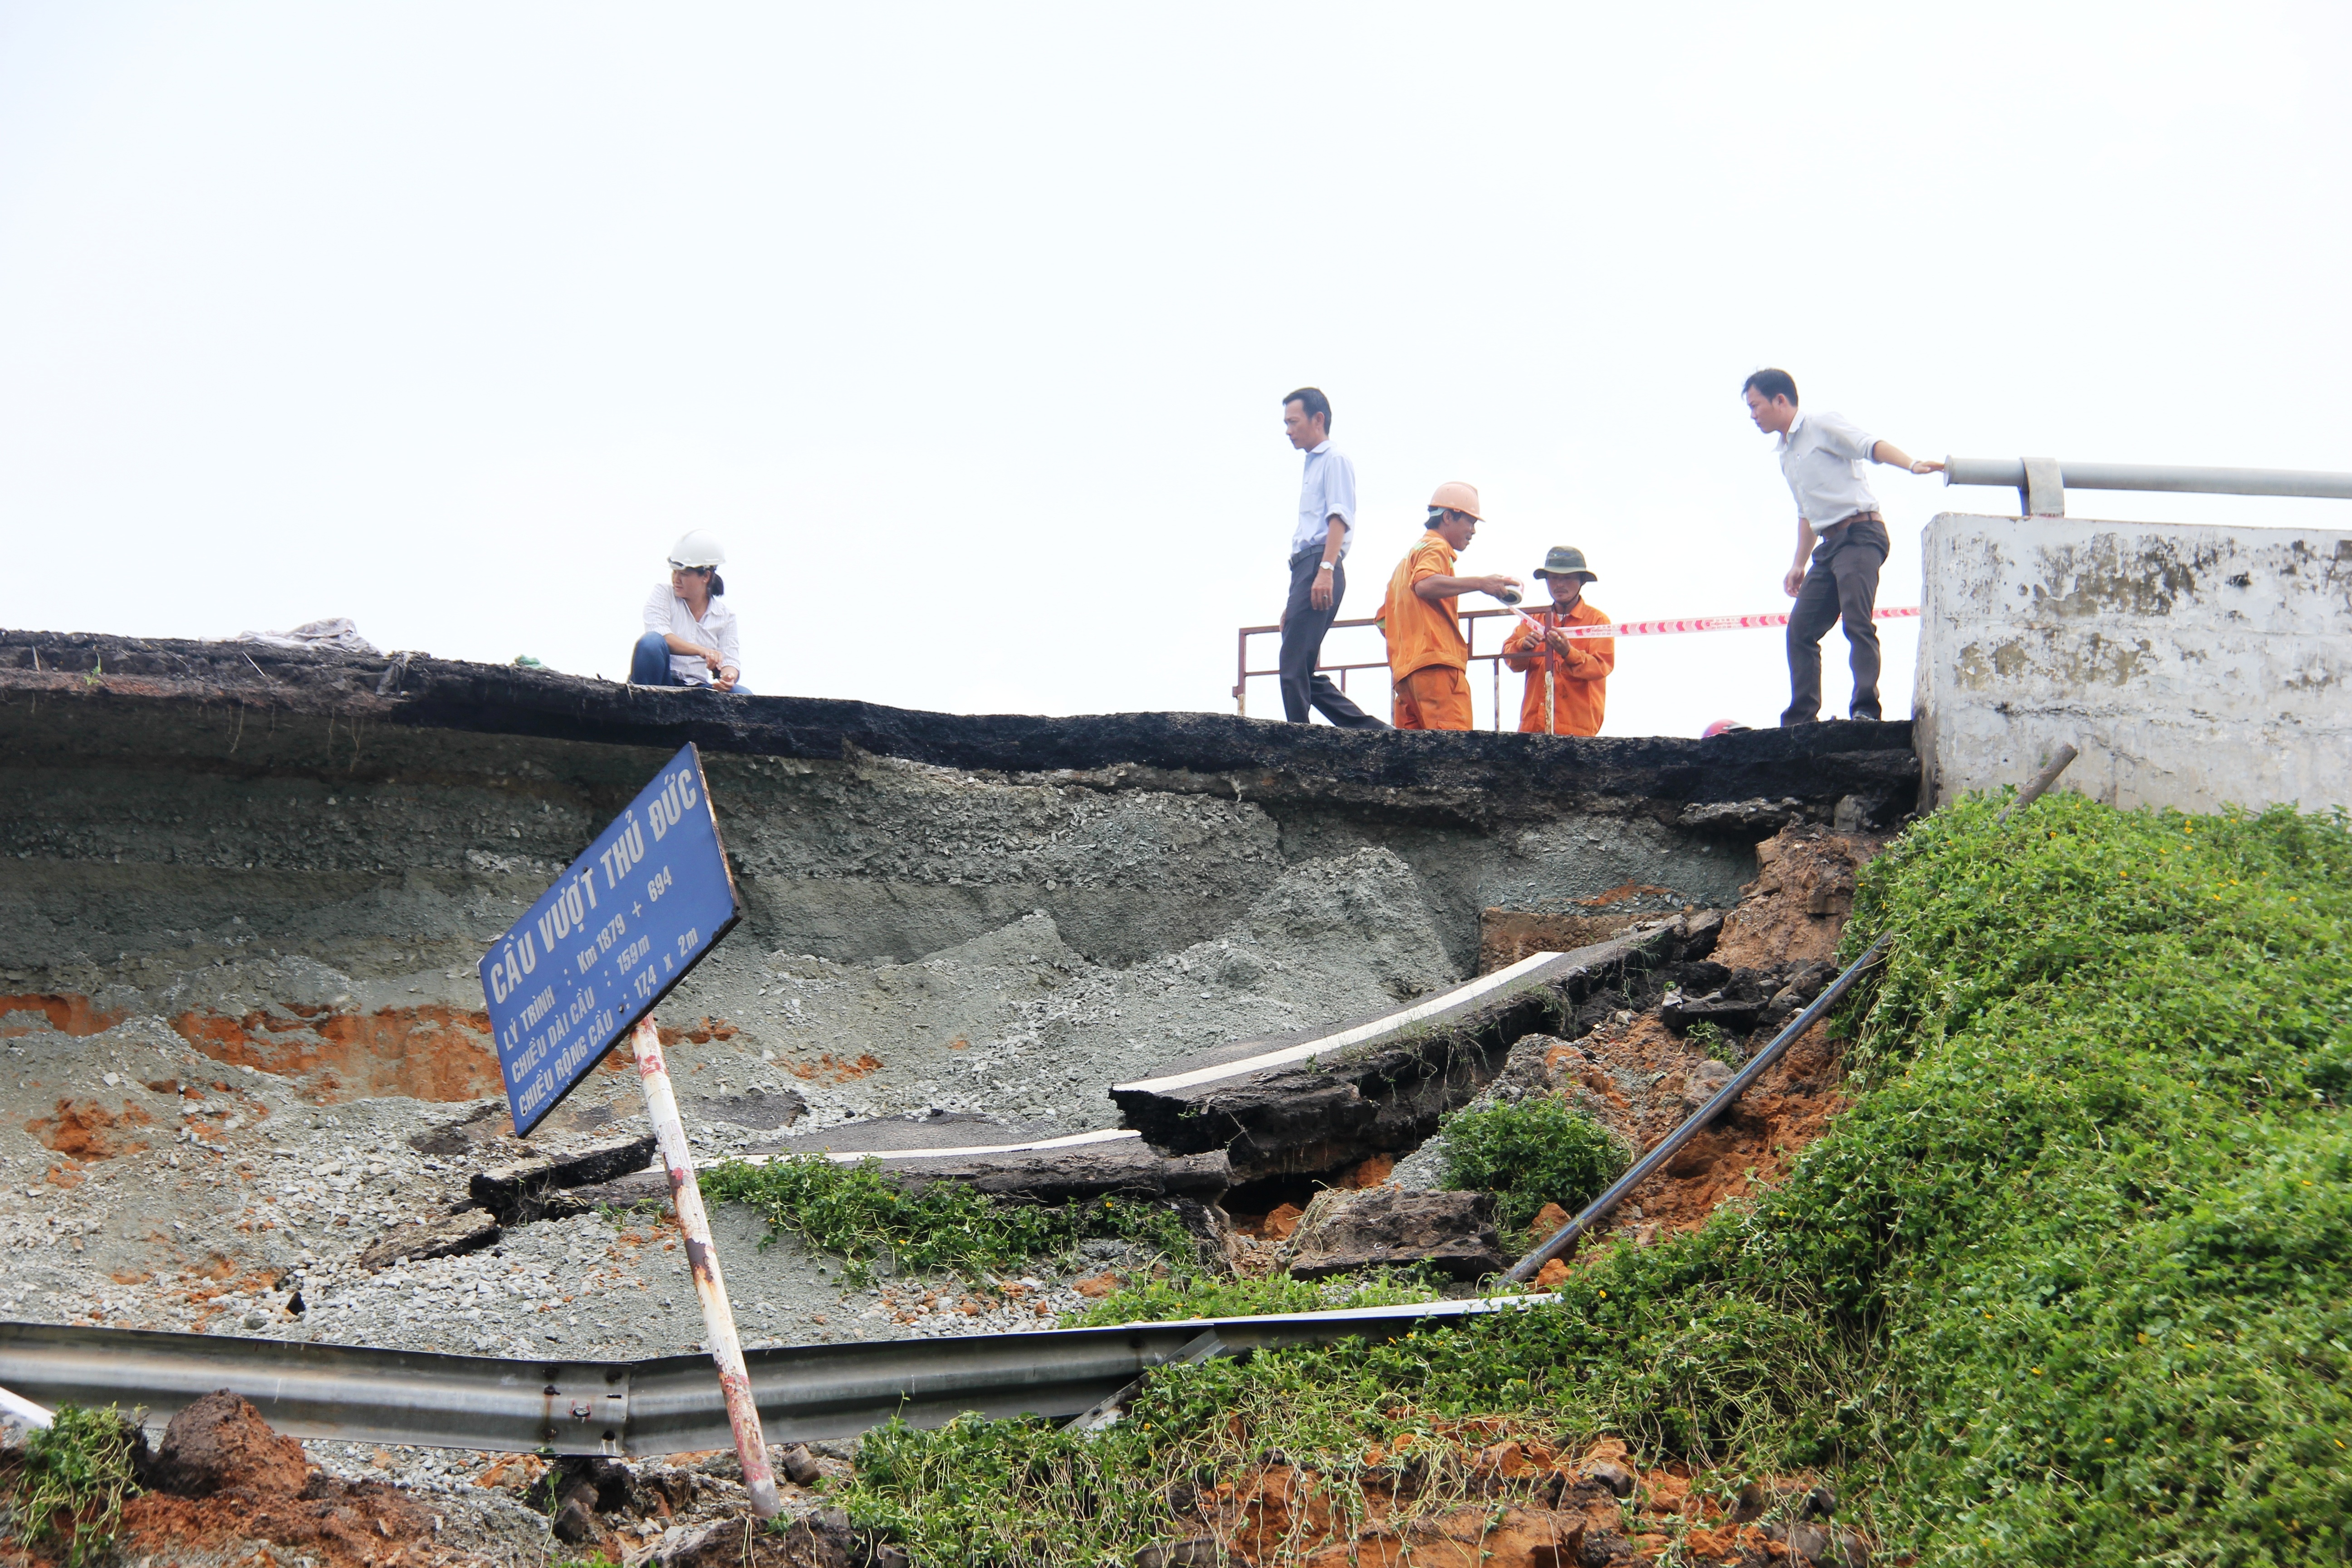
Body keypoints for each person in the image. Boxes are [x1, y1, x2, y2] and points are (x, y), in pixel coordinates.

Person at [1742, 368, 1940, 725]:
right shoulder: (1786, 454)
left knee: (1856, 619)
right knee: (1800, 630)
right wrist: (1799, 564)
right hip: (1829, 545)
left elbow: (1870, 446)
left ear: (1780, 400)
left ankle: (1866, 709)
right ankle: (1801, 720)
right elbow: (1806, 513)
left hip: (1860, 533)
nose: (1753, 415)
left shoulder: (1820, 425)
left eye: (1756, 406)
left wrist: (1911, 464)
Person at [1274, 387, 1383, 728]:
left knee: (1292, 666)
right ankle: (1368, 729)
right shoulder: (1314, 463)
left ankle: (1299, 738)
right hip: (1307, 568)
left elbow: (1339, 517)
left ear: (1317, 419)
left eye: (1293, 422)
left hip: (1320, 562)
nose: (1288, 430)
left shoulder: (1334, 459)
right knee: (1301, 667)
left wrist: (1325, 569)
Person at [1379, 482, 1521, 731]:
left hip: (1406, 675)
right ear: (1447, 517)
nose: (1473, 531)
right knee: (1454, 749)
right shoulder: (1437, 547)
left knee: (1416, 754)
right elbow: (1424, 584)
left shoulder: (1405, 563)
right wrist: (1481, 584)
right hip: (1436, 670)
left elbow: (1383, 620)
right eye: (1470, 522)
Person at [1500, 547, 1614, 736]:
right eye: (1553, 577)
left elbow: (1601, 667)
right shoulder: (1534, 619)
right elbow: (1510, 658)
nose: (1560, 584)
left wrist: (1568, 653)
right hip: (1532, 728)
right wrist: (1523, 646)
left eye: (1567, 578)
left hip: (1577, 731)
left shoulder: (1598, 621)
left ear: (1582, 581)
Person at [631, 531, 745, 692]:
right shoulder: (663, 594)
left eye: (683, 574)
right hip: (663, 679)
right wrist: (701, 651)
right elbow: (662, 635)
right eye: (674, 572)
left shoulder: (726, 617)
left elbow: (730, 661)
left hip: (697, 687)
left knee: (742, 693)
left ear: (706, 577)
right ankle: (643, 701)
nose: (676, 579)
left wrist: (728, 677)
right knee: (651, 642)